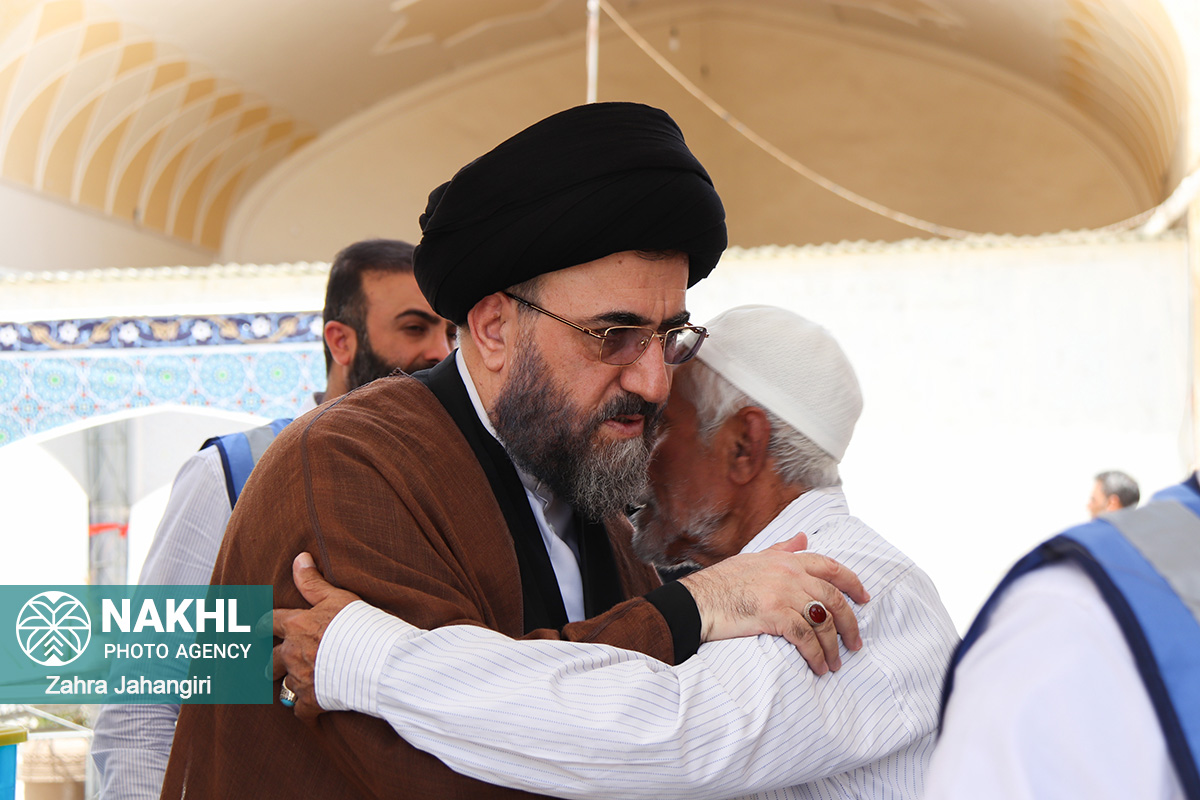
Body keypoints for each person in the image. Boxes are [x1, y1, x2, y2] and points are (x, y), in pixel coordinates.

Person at [160, 103, 868, 799]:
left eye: (668, 336)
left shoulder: (588, 485)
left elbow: (650, 738)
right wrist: (686, 612)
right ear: (494, 329)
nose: (655, 382)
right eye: (614, 335)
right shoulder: (347, 463)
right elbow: (453, 769)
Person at [271, 305, 960, 799]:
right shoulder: (280, 464)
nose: (634, 450)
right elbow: (209, 655)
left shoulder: (852, 586)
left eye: (660, 426)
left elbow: (657, 733)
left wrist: (366, 656)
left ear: (744, 446)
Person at [89, 238, 455, 800]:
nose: (440, 352)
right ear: (341, 341)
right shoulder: (237, 474)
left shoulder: (456, 485)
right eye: (414, 328)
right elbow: (144, 704)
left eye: (449, 333)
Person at [928, 474, 1200, 799]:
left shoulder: (1074, 614)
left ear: (1112, 504)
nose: (1088, 506)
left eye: (1093, 500)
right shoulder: (1066, 616)